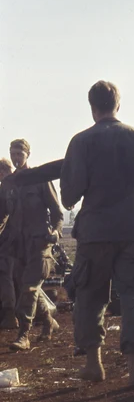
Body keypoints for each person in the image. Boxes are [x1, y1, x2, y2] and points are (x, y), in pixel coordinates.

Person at [61, 80, 134, 386]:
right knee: (133, 297)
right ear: (117, 104)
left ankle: (94, 364)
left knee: (90, 297)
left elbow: (69, 197)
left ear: (92, 106)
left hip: (95, 233)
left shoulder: (80, 142)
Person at [0, 140, 64, 351]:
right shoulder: (8, 184)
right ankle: (48, 322)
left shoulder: (40, 179)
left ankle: (23, 335)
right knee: (28, 288)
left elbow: (57, 212)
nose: (16, 157)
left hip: (40, 244)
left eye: (20, 153)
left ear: (28, 154)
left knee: (29, 288)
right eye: (13, 153)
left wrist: (56, 231)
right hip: (18, 246)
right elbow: (2, 215)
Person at [0, 158, 17, 329]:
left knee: (5, 275)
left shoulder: (7, 188)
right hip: (15, 239)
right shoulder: (11, 186)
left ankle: (10, 314)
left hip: (11, 241)